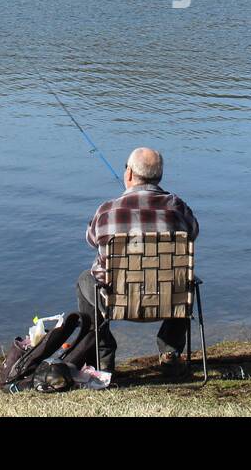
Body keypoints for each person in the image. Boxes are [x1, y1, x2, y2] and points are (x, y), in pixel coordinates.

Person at [75, 147, 199, 374]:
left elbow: (91, 239)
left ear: (129, 174)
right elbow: (194, 232)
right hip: (169, 302)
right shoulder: (178, 207)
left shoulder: (106, 211)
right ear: (159, 176)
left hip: (117, 302)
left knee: (85, 279)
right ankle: (170, 351)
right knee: (187, 278)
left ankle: (102, 356)